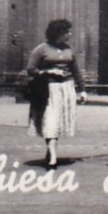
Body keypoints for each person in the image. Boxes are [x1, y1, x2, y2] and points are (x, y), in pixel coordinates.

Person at [26, 18, 87, 169]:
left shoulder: (68, 49)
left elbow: (76, 70)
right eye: (67, 31)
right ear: (58, 33)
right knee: (51, 120)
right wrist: (49, 71)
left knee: (58, 121)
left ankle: (50, 150)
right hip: (48, 89)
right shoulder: (41, 49)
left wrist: (83, 90)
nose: (70, 34)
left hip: (66, 88)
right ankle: (53, 156)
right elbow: (31, 70)